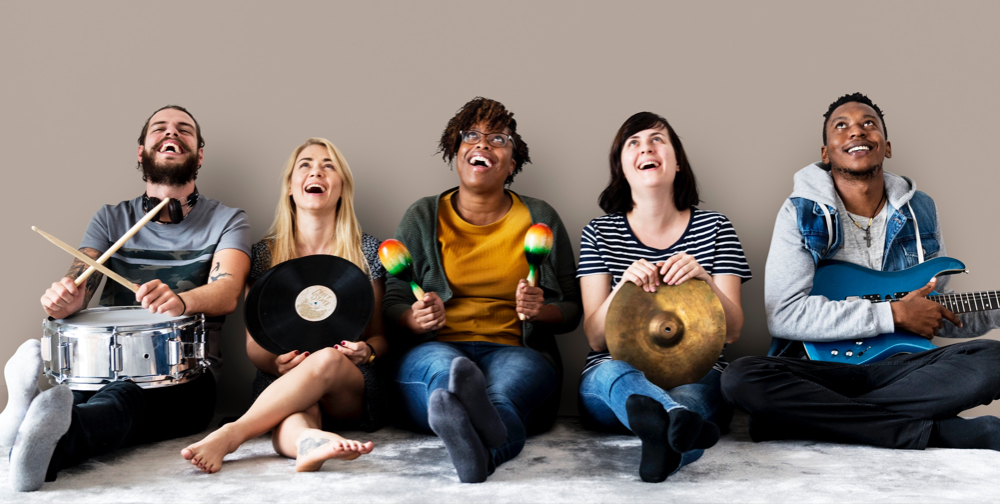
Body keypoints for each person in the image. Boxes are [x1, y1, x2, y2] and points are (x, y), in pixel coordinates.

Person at [721, 93, 1000, 450]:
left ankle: (801, 420)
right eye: (842, 126)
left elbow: (932, 313)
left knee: (993, 360)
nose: (857, 132)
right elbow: (785, 315)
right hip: (820, 370)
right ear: (825, 152)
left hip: (901, 369)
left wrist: (991, 313)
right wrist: (893, 313)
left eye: (869, 124)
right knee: (741, 377)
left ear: (886, 146)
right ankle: (934, 432)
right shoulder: (799, 212)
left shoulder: (922, 209)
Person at [0, 105, 251, 492]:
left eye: (185, 130)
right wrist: (65, 300)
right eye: (160, 128)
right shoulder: (110, 218)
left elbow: (228, 290)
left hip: (186, 381)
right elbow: (77, 280)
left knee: (121, 401)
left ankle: (31, 434)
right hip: (97, 371)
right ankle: (26, 420)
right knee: (85, 396)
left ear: (199, 154)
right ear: (141, 151)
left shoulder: (229, 220)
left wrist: (181, 300)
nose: (172, 133)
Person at [383, 97, 581, 483]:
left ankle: (472, 446)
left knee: (502, 394)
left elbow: (572, 308)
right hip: (436, 346)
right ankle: (481, 439)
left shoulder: (541, 218)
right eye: (470, 135)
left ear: (512, 162)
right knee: (445, 376)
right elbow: (391, 303)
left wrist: (541, 311)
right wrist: (413, 318)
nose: (483, 145)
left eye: (498, 139)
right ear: (455, 151)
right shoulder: (422, 216)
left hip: (515, 349)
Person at [180, 138, 383, 473]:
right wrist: (277, 364)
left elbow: (380, 338)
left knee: (327, 357)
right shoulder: (262, 255)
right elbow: (255, 345)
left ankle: (232, 434)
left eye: (328, 165)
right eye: (305, 164)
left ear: (342, 187)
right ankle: (309, 443)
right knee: (296, 417)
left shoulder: (368, 252)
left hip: (350, 384)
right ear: (290, 186)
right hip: (280, 381)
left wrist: (368, 353)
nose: (316, 170)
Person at [577, 112, 750, 482]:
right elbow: (594, 338)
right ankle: (674, 426)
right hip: (613, 379)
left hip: (698, 375)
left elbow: (733, 332)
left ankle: (662, 444)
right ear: (621, 167)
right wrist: (622, 287)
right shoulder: (598, 232)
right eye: (633, 143)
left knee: (693, 401)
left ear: (677, 163)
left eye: (658, 140)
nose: (646, 148)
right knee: (615, 372)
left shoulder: (716, 227)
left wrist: (705, 279)